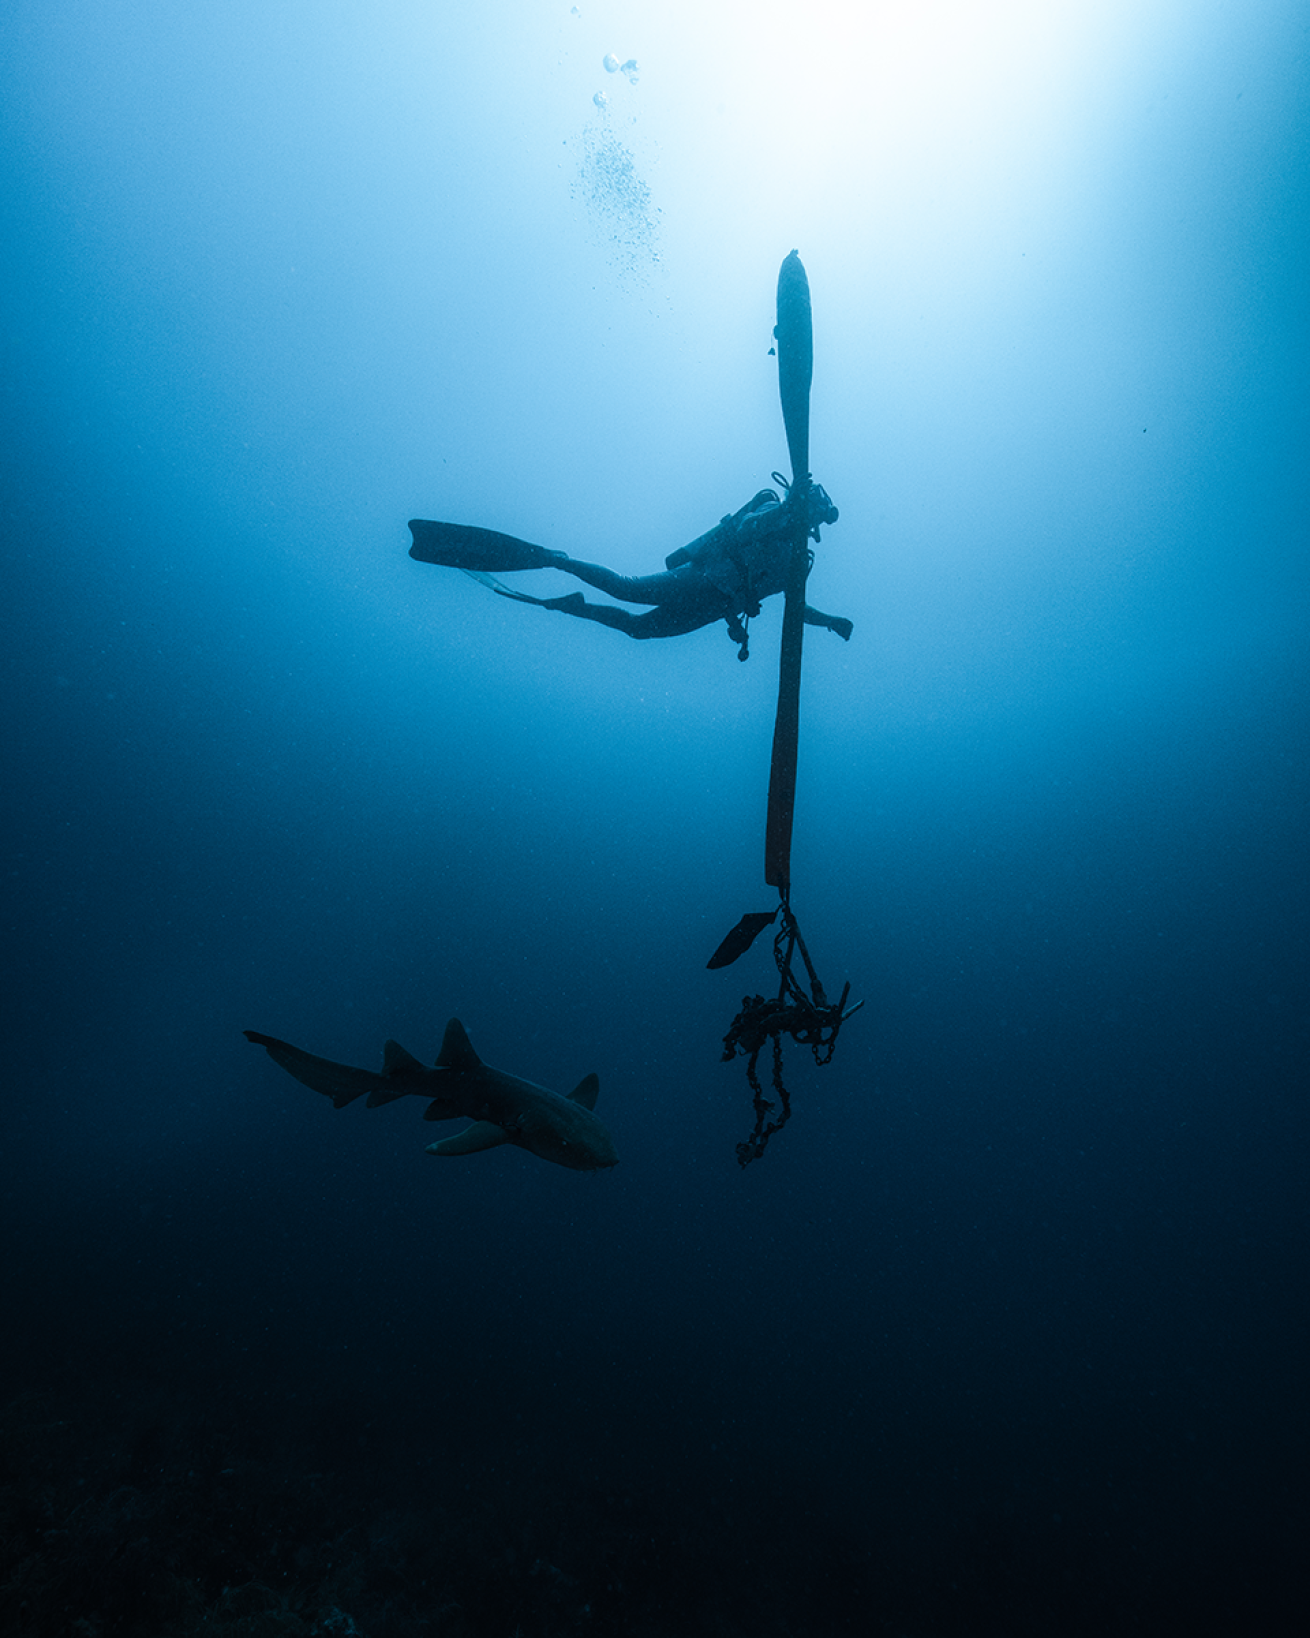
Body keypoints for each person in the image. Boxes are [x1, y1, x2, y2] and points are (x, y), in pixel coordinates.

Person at [407, 482, 851, 659]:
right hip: (700, 579)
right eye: (813, 506)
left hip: (716, 608)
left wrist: (829, 621)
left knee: (639, 633)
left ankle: (573, 606)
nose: (812, 517)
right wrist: (786, 511)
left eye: (815, 514)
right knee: (625, 589)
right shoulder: (772, 508)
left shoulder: (799, 562)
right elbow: (754, 523)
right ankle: (554, 558)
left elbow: (798, 607)